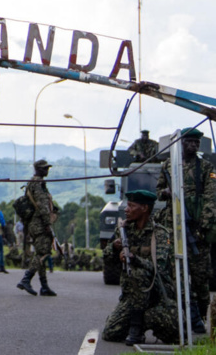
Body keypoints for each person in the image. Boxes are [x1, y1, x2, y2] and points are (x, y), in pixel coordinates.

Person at [155, 127, 216, 331]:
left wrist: (203, 227)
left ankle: (201, 316)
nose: (193, 145)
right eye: (189, 142)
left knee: (200, 278)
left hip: (197, 230)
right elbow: (158, 191)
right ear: (181, 143)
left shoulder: (206, 167)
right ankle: (188, 317)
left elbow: (211, 199)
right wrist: (165, 192)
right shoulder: (168, 165)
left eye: (196, 143)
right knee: (178, 275)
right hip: (175, 228)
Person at [101, 190, 178, 346]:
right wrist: (114, 248)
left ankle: (137, 327)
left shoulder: (159, 234)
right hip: (132, 296)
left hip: (157, 295)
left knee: (173, 334)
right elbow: (107, 259)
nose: (126, 210)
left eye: (131, 206)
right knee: (110, 333)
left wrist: (135, 259)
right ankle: (135, 324)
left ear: (144, 208)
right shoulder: (123, 230)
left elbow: (159, 269)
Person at [17, 159, 59, 297]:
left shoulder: (32, 183)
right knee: (43, 253)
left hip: (34, 224)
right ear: (38, 169)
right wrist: (47, 223)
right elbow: (42, 206)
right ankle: (26, 279)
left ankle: (44, 286)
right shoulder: (38, 184)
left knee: (40, 253)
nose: (47, 170)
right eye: (44, 168)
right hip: (39, 224)